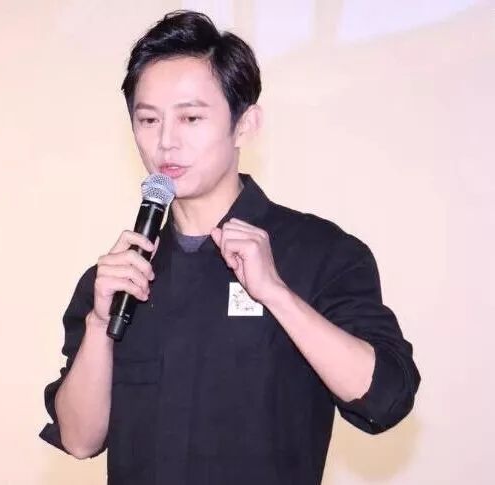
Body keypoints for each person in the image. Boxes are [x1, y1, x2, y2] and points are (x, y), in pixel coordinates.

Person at [39, 10, 420, 485]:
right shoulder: (120, 276)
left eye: (191, 118)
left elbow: (385, 399)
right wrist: (99, 324)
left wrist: (277, 294)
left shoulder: (321, 254)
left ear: (244, 124)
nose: (166, 142)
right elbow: (79, 440)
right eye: (148, 120)